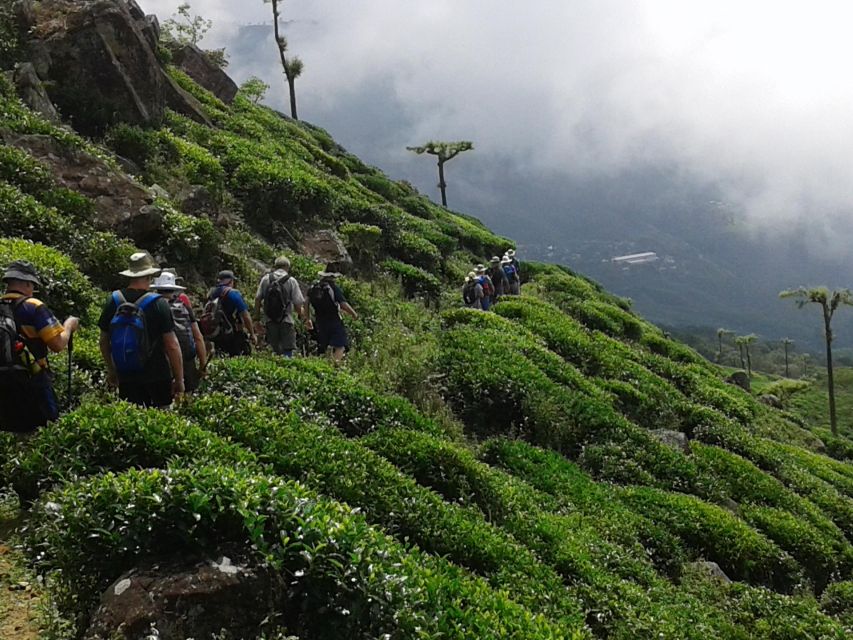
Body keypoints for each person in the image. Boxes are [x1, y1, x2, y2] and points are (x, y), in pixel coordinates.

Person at [0, 260, 79, 434]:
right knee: (47, 430)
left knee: (10, 431)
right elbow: (57, 345)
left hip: (3, 380)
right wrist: (69, 326)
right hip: (33, 379)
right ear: (28, 283)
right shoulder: (33, 306)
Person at [98, 251, 184, 408]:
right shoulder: (159, 303)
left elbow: (103, 342)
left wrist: (112, 371)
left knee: (133, 421)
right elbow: (172, 345)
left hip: (126, 376)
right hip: (157, 375)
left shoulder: (114, 300)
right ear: (148, 277)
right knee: (161, 421)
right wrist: (179, 380)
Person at [151, 271, 207, 393]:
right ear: (173, 289)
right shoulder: (183, 307)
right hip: (187, 359)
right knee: (188, 397)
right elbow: (198, 337)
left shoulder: (153, 307)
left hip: (163, 362)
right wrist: (203, 364)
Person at [254, 256, 311, 358]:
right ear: (287, 267)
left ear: (275, 266)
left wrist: (256, 319)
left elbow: (258, 299)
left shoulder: (266, 279)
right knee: (287, 349)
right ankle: (286, 366)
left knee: (272, 349)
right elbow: (298, 305)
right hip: (287, 320)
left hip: (269, 320)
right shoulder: (291, 281)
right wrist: (306, 318)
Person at [202, 270, 256, 357]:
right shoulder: (233, 293)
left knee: (221, 355)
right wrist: (252, 334)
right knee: (238, 356)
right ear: (230, 281)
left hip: (215, 332)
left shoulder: (212, 292)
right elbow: (245, 315)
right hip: (231, 332)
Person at [308, 270, 357, 363]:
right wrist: (354, 314)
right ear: (332, 277)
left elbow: (306, 303)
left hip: (320, 322)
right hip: (334, 320)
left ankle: (324, 366)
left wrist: (308, 318)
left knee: (324, 346)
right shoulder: (333, 287)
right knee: (340, 345)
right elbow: (343, 304)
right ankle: (334, 366)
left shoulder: (313, 287)